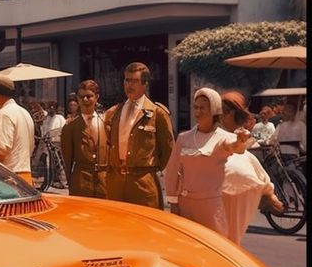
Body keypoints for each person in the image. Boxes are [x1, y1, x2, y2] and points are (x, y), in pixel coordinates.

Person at [195, 90, 284, 267]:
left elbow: (253, 170)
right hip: (215, 202)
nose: (219, 116)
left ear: (233, 114)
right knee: (214, 261)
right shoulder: (212, 138)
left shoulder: (239, 140)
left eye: (223, 111)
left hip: (236, 204)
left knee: (233, 260)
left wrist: (270, 194)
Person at [164, 87, 252, 235]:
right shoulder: (184, 138)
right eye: (196, 107)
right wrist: (173, 203)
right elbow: (172, 172)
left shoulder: (223, 137)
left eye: (203, 108)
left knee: (212, 249)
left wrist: (240, 140)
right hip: (185, 206)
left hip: (210, 208)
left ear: (214, 110)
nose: (198, 112)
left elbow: (235, 147)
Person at [104, 62, 175, 209]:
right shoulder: (114, 112)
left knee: (145, 227)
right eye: (127, 80)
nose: (129, 85)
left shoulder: (157, 113)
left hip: (142, 182)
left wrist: (148, 168)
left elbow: (168, 148)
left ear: (145, 84)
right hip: (116, 182)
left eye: (134, 81)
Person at [0, 74, 36, 185]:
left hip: (9, 178)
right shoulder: (24, 113)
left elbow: (2, 150)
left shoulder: (4, 114)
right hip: (24, 176)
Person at [60, 80, 108, 198]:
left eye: (89, 96)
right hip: (81, 182)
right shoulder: (70, 126)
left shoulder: (106, 123)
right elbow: (67, 160)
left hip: (104, 182)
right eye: (81, 97)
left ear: (96, 97)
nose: (85, 100)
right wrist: (72, 183)